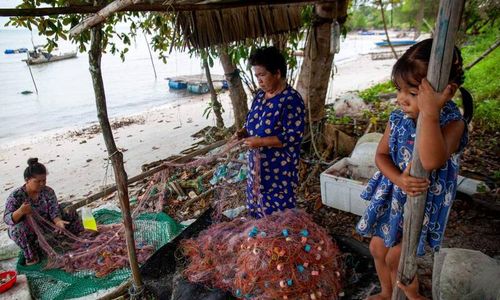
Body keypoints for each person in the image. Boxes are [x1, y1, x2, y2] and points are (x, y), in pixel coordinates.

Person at [355, 39, 473, 299]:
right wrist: (398, 179)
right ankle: (387, 292)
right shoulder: (397, 118)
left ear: (447, 92)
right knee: (377, 247)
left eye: (412, 93)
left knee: (398, 256)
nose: (400, 99)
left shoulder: (453, 124)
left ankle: (410, 294)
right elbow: (381, 155)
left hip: (423, 202)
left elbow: (431, 161)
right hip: (394, 195)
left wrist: (429, 113)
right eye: (398, 90)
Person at [237, 46, 305, 219]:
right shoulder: (259, 96)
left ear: (277, 73)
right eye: (256, 76)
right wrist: (243, 132)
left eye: (262, 75)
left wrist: (260, 142)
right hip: (258, 166)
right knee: (257, 202)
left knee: (278, 213)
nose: (259, 80)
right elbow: (252, 122)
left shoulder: (291, 100)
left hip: (280, 169)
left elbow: (293, 136)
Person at [4, 158, 83, 265]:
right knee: (17, 230)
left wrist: (58, 221)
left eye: (44, 180)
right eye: (37, 181)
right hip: (30, 230)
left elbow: (54, 210)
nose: (42, 184)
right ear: (27, 180)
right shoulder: (16, 196)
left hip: (48, 225)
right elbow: (7, 219)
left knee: (68, 208)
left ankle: (72, 236)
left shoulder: (48, 191)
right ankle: (31, 255)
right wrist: (20, 211)